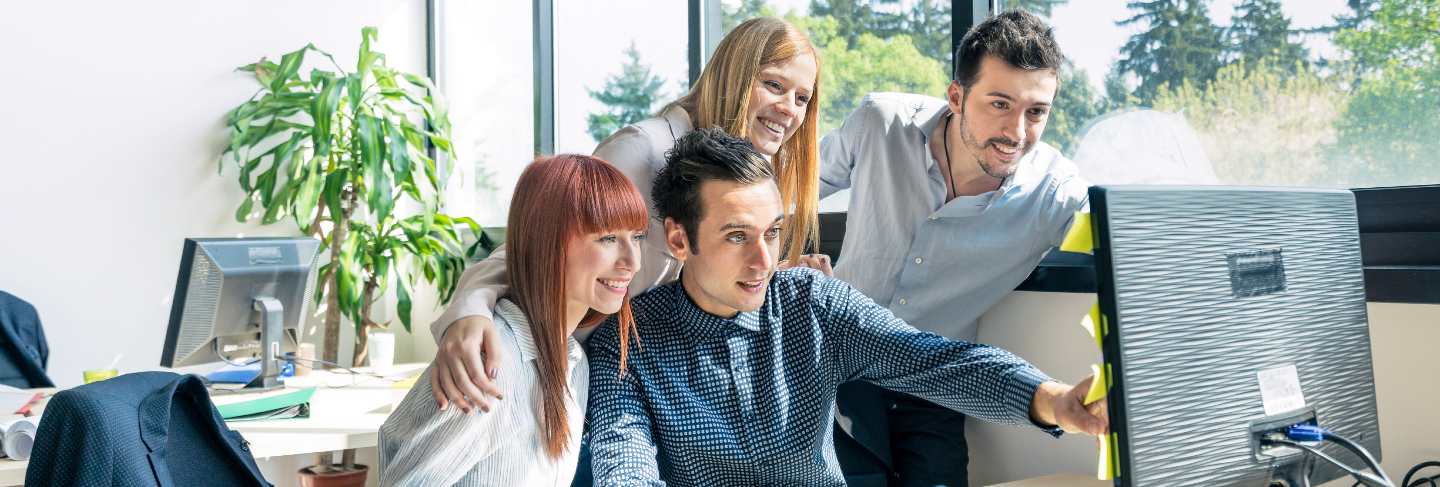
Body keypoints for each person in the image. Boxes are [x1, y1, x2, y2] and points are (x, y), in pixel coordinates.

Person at [584, 128, 1105, 486]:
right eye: (737, 236)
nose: (764, 259)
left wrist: (1053, 400)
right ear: (678, 239)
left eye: (773, 233)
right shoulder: (627, 343)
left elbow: (932, 360)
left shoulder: (813, 304)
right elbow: (622, 460)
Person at [425, 16, 831, 414]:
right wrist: (470, 312)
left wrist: (775, 273)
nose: (789, 110)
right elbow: (534, 248)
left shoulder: (744, 176)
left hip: (632, 384)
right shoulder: (643, 151)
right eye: (774, 85)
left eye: (801, 98)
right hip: (544, 376)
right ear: (734, 75)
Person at [819, 10, 1090, 485]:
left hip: (936, 383)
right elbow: (784, 192)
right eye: (999, 104)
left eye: (1036, 112)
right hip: (839, 364)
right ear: (956, 96)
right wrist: (784, 263)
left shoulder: (1056, 193)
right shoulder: (880, 123)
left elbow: (1126, 246)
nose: (1017, 132)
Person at [378, 154, 647, 486]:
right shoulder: (491, 366)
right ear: (548, 242)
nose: (632, 261)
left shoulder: (575, 363)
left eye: (637, 237)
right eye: (607, 238)